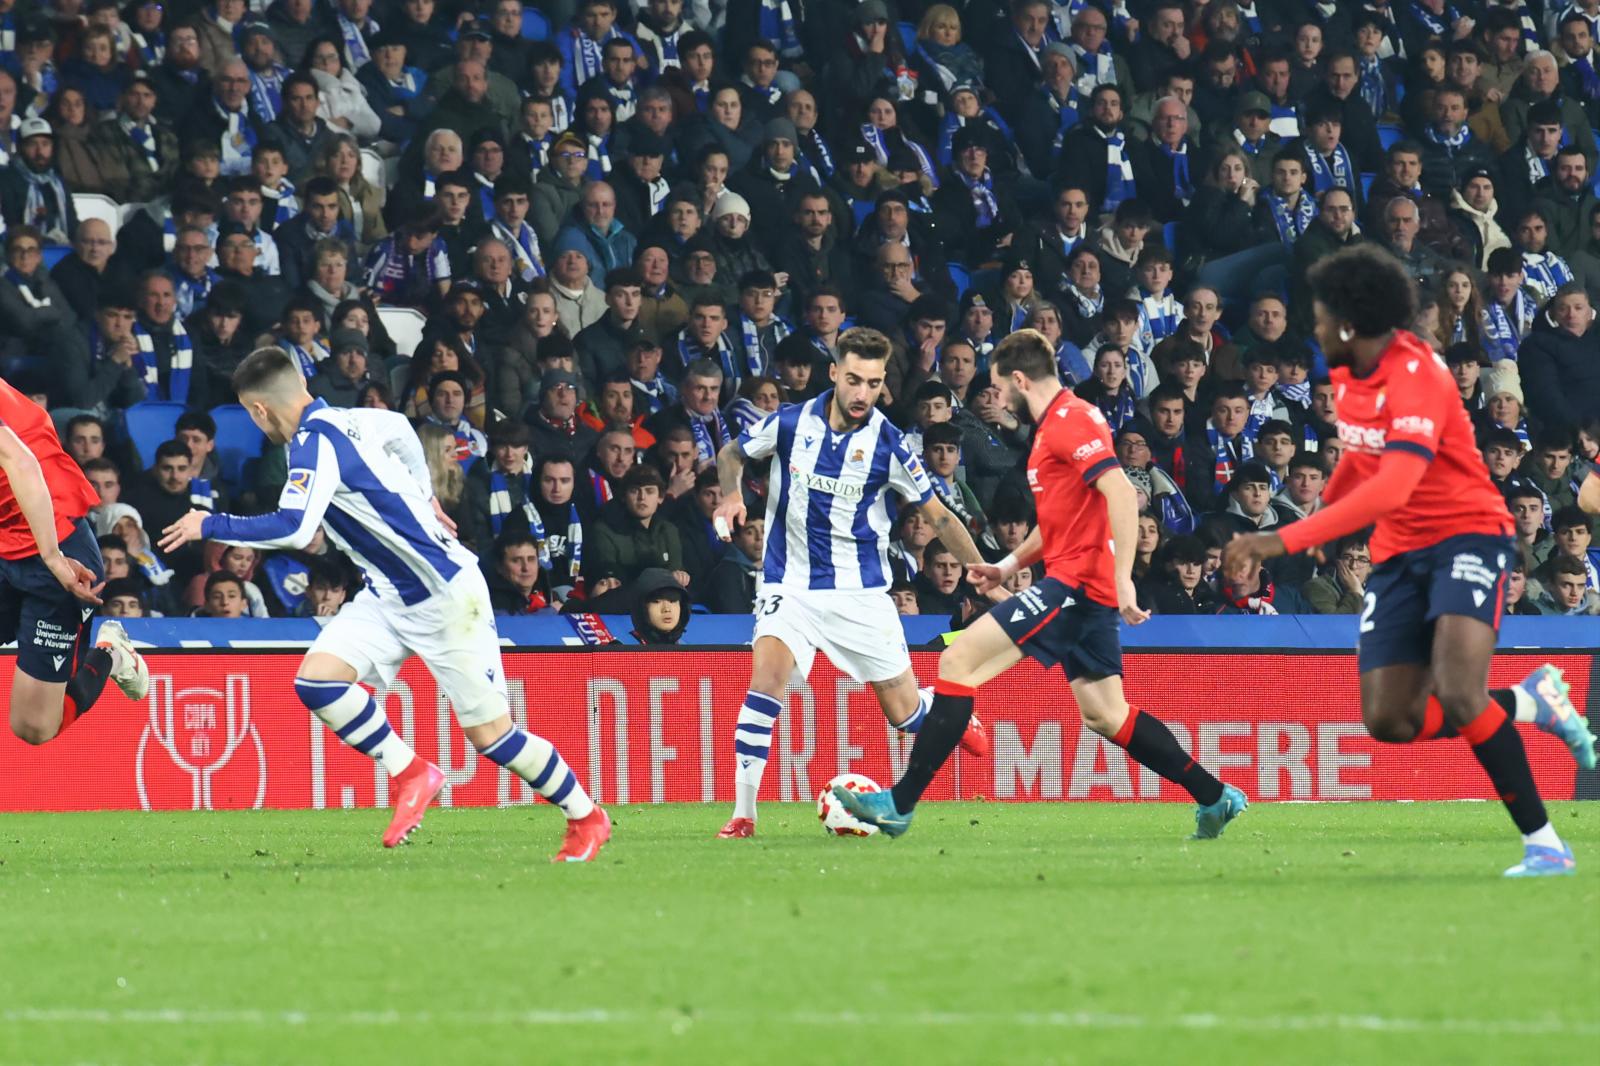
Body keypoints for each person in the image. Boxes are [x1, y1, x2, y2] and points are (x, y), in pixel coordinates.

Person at [1223, 244, 1595, 878]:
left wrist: (1282, 538)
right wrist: (1322, 524)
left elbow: (1394, 486)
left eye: (1320, 314)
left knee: (1457, 690)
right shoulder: (1345, 371)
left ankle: (1544, 843)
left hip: (1467, 537)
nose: (1313, 325)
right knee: (1390, 720)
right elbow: (1363, 460)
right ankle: (1532, 702)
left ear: (1352, 317)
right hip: (1398, 555)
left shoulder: (1418, 371)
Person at [158, 347, 611, 863]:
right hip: (388, 594)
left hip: (445, 596)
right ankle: (412, 772)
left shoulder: (312, 442)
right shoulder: (348, 418)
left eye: (251, 415)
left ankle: (586, 816)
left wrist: (208, 524)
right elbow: (399, 426)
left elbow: (296, 526)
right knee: (317, 681)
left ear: (259, 411)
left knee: (493, 738)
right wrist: (425, 494)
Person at [832, 328, 1248, 840]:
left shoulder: (1069, 424)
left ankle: (899, 804)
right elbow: (1060, 522)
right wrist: (1006, 567)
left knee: (956, 662)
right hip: (1080, 583)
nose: (999, 398)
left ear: (1020, 379)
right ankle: (1214, 795)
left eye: (1002, 387)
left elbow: (1119, 490)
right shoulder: (1065, 421)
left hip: (1076, 585)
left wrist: (1122, 580)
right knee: (1105, 713)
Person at [710, 327, 992, 839]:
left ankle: (938, 708)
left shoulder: (889, 443)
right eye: (855, 380)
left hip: (859, 594)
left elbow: (942, 517)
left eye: (874, 383)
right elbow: (731, 454)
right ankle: (743, 813)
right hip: (787, 584)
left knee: (904, 717)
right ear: (835, 373)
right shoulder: (791, 423)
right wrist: (731, 496)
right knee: (766, 682)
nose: (863, 393)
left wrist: (983, 573)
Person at [0, 374, 149, 745]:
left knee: (34, 727)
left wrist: (52, 557)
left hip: (55, 544)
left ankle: (111, 654)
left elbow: (20, 462)